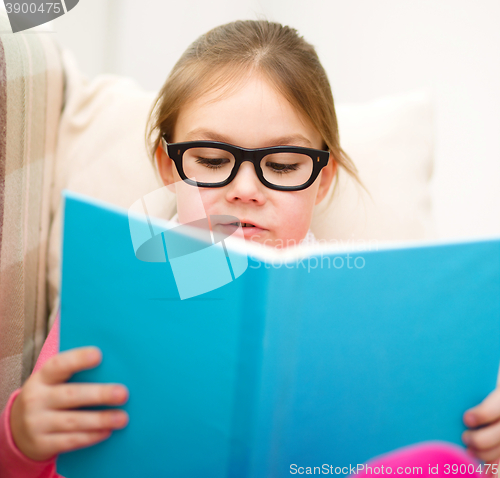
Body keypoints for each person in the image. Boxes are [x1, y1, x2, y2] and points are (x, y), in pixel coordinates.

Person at [0, 19, 498, 477]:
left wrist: (485, 437)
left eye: (282, 166)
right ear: (169, 166)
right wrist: (22, 437)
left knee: (443, 461)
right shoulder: (113, 285)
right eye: (213, 159)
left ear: (321, 181)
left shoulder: (365, 294)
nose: (244, 189)